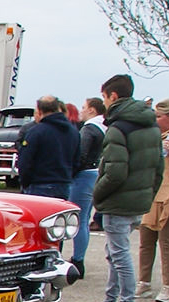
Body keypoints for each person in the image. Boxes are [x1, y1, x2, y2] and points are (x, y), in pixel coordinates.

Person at [89, 74, 163, 302]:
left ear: (113, 96)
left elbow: (115, 172)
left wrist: (97, 195)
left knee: (119, 256)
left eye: (105, 97)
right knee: (115, 254)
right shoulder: (152, 126)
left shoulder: (119, 128)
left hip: (118, 200)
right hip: (139, 198)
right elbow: (158, 167)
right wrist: (148, 195)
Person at [135, 98, 169, 302]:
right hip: (152, 192)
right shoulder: (154, 136)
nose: (155, 120)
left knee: (168, 242)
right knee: (145, 241)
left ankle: (168, 286)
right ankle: (144, 283)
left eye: (159, 116)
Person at [68, 96, 107, 276]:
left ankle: (77, 260)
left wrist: (72, 172)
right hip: (96, 173)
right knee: (84, 219)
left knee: (79, 218)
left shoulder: (90, 129)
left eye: (84, 107)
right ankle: (79, 257)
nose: (81, 111)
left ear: (92, 110)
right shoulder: (105, 127)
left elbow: (81, 155)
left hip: (84, 175)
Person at [17, 95, 78, 199]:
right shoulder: (73, 132)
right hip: (63, 185)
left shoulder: (36, 131)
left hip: (39, 185)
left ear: (40, 111)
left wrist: (25, 183)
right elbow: (76, 161)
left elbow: (25, 161)